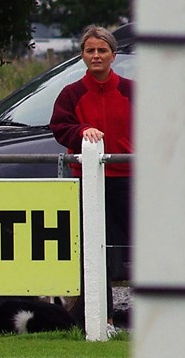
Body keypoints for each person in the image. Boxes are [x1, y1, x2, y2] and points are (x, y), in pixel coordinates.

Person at [48, 25, 133, 327]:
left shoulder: (131, 90)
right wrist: (83, 131)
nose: (96, 56)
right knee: (94, 249)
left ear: (113, 54)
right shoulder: (71, 94)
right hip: (89, 180)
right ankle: (103, 319)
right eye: (90, 50)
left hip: (129, 179)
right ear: (82, 55)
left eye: (102, 50)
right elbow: (59, 127)